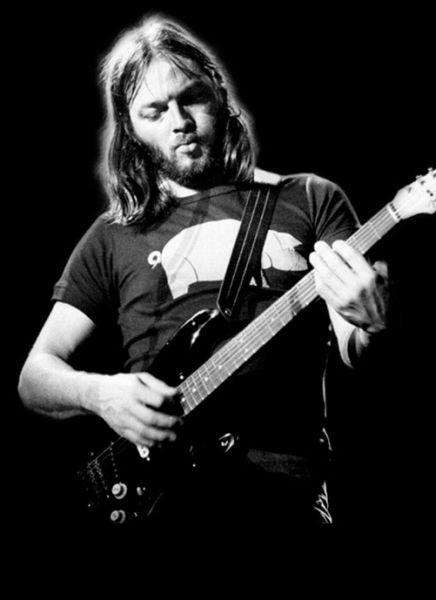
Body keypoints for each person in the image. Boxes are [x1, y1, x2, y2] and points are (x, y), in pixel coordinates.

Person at [18, 13, 390, 532]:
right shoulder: (114, 234)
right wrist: (101, 395)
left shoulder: (309, 198)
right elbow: (35, 377)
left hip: (287, 490)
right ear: (131, 129)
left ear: (218, 94)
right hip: (166, 497)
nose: (179, 121)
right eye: (154, 111)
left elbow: (354, 346)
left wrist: (370, 324)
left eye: (191, 98)